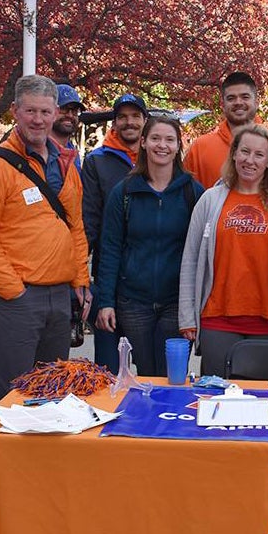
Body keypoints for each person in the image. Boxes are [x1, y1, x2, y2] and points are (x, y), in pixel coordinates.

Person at [0, 75, 91, 403]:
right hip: (17, 298)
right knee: (13, 394)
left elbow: (75, 226)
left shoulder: (65, 166)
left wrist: (79, 278)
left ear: (55, 113)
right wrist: (12, 290)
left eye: (45, 112)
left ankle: (45, 456)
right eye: (30, 111)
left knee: (54, 391)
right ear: (15, 112)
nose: (38, 119)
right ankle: (3, 456)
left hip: (60, 297)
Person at [179, 124, 268, 375]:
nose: (250, 160)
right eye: (244, 151)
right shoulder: (211, 199)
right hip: (217, 319)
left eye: (259, 154)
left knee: (264, 402)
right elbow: (191, 259)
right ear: (234, 154)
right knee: (217, 399)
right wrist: (187, 317)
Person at [95, 116, 204, 376]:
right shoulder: (123, 193)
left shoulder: (193, 192)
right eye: (155, 138)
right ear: (143, 142)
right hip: (134, 302)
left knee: (171, 374)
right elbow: (110, 250)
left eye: (169, 140)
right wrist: (106, 301)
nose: (162, 145)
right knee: (145, 373)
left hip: (177, 302)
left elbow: (204, 251)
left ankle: (170, 417)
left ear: (179, 145)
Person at [82, 92, 147, 372]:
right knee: (107, 370)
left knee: (152, 372)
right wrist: (82, 277)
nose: (129, 122)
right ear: (115, 122)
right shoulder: (98, 161)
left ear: (145, 121)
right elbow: (89, 222)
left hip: (150, 282)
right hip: (110, 278)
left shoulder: (158, 156)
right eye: (122, 117)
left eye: (135, 116)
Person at [183, 71, 268, 189]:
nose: (238, 102)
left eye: (245, 97)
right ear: (223, 105)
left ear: (256, 102)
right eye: (231, 98)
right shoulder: (200, 148)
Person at [51, 84, 85, 160]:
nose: (70, 115)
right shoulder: (39, 152)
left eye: (74, 111)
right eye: (63, 109)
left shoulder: (73, 154)